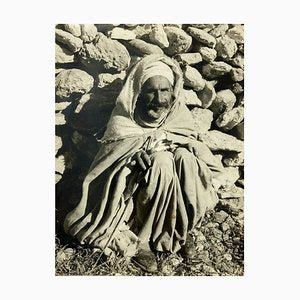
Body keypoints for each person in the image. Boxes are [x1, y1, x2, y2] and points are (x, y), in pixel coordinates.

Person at [63, 54, 224, 272]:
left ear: (173, 91)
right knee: (160, 162)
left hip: (173, 178)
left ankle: (180, 230)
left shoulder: (178, 115)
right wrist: (130, 158)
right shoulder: (124, 121)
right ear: (138, 93)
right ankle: (144, 240)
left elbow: (193, 145)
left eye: (164, 90)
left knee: (186, 159)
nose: (159, 98)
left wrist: (178, 147)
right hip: (134, 189)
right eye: (151, 91)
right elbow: (107, 164)